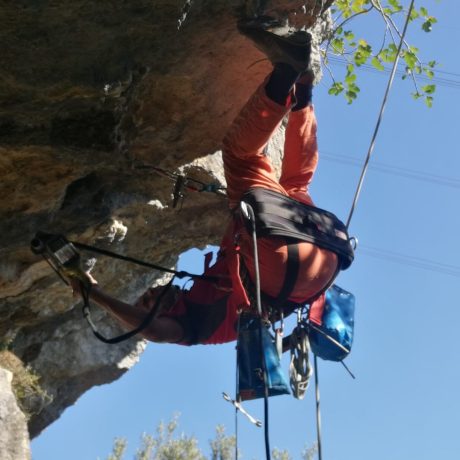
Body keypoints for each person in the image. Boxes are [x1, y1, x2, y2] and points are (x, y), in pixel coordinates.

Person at [71, 20, 339, 346]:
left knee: (296, 184)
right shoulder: (195, 328)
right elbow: (152, 331)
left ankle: (303, 87)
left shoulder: (203, 296)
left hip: (321, 262)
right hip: (283, 268)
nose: (150, 293)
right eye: (145, 303)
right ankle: (287, 70)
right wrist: (93, 293)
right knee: (240, 155)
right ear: (161, 314)